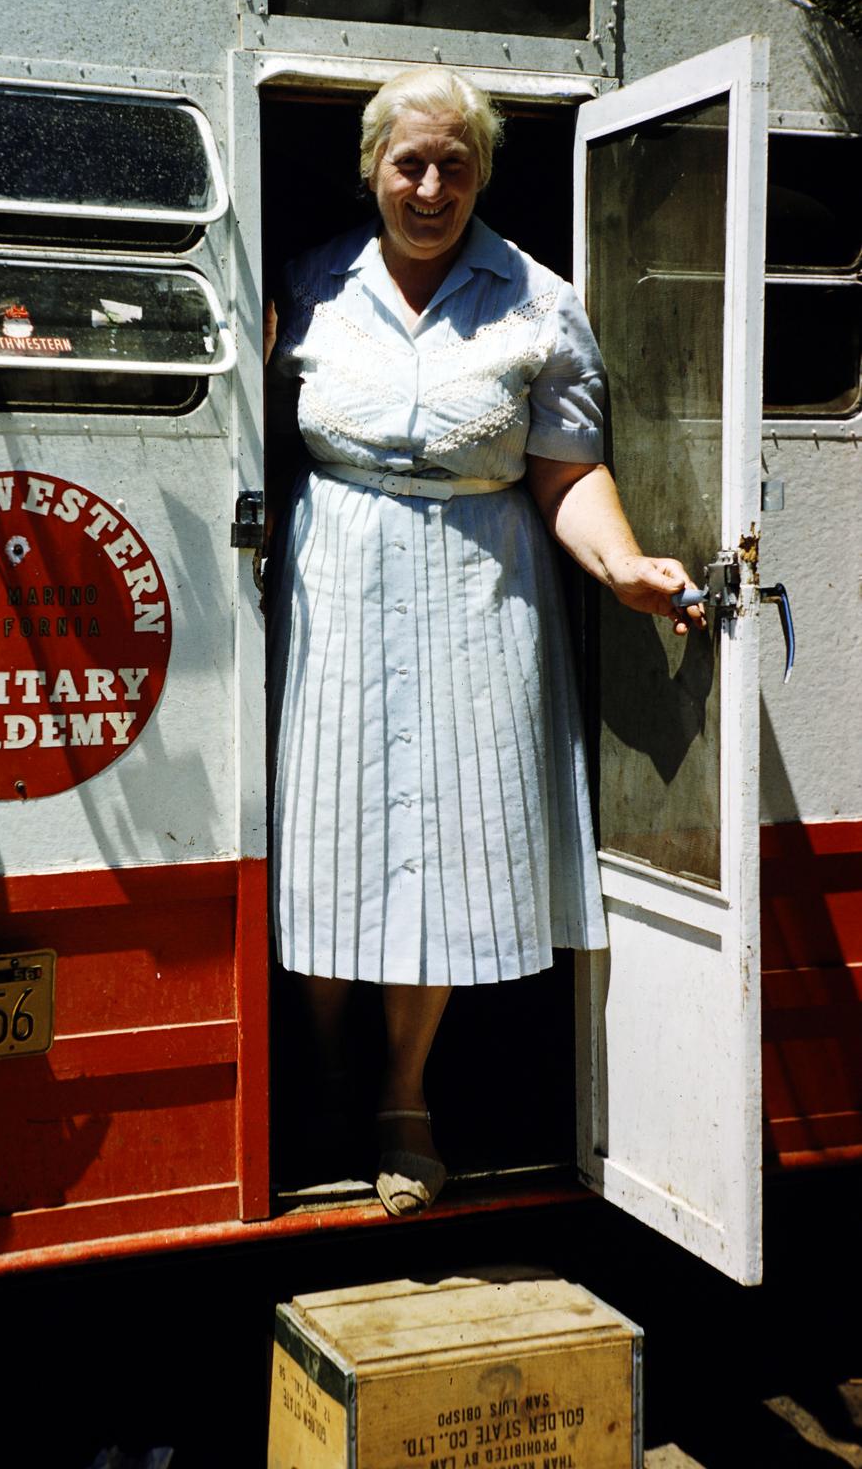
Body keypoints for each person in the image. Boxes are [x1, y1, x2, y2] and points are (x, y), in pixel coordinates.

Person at [264, 66, 703, 1217]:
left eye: (455, 163)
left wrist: (624, 566)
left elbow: (568, 471)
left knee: (446, 845)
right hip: (334, 589)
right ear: (370, 165)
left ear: (485, 173)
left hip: (480, 592)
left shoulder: (538, 301)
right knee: (329, 831)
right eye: (409, 160)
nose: (430, 184)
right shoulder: (307, 283)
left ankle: (403, 1094)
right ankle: (317, 1073)